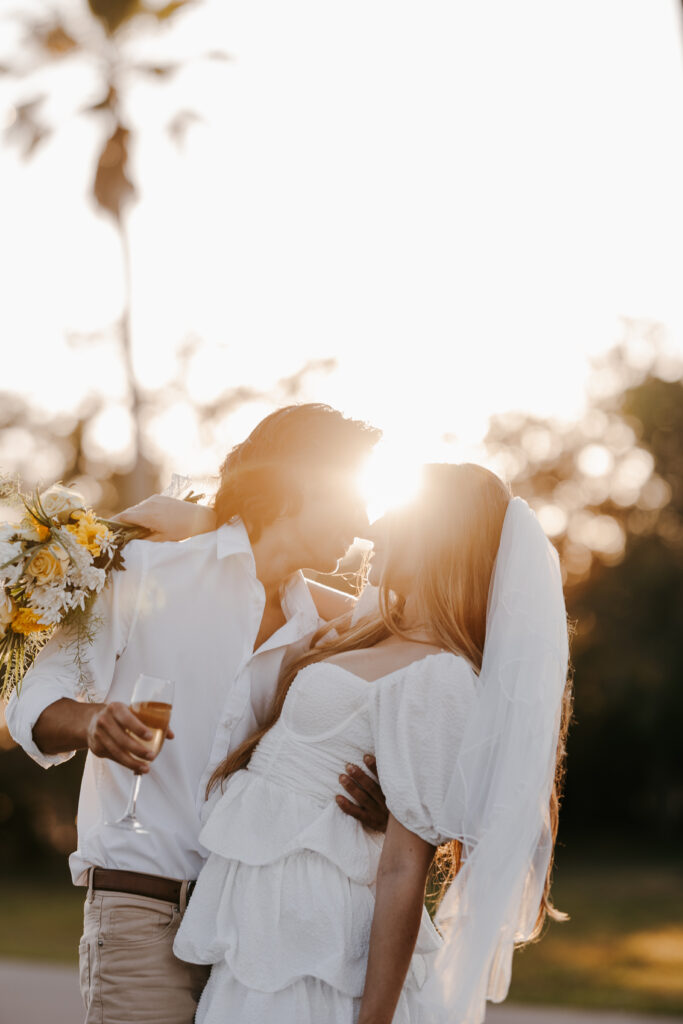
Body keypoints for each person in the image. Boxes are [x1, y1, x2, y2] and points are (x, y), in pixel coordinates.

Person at [5, 403, 387, 1024]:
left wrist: (383, 802)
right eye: (352, 497)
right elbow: (33, 698)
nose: (365, 522)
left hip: (253, 929)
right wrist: (92, 720)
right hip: (138, 911)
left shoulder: (317, 629)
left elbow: (409, 625)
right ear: (299, 485)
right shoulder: (147, 567)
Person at [163, 462, 571, 1024]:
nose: (375, 525)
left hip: (320, 938)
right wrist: (196, 518)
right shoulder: (374, 628)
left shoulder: (443, 678)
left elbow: (405, 867)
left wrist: (374, 1019)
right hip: (266, 922)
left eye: (398, 514)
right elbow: (275, 572)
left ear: (438, 538)